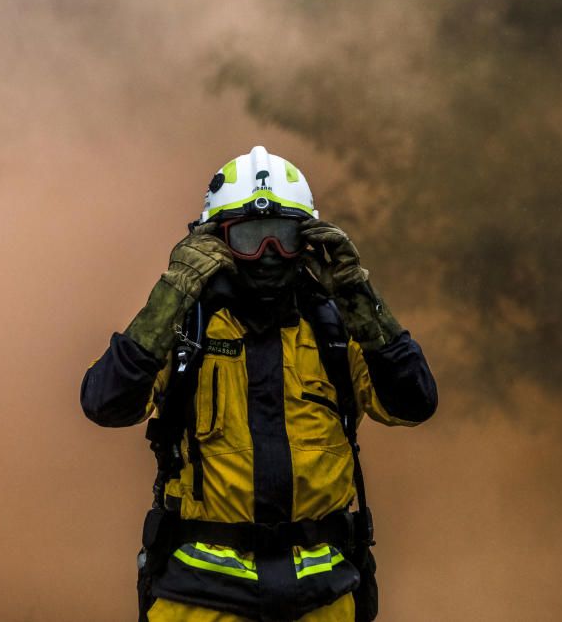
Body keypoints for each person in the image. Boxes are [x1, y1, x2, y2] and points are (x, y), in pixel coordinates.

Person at [81, 146, 437, 622]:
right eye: (249, 237)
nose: (268, 254)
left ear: (308, 241)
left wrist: (358, 296)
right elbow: (105, 403)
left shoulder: (337, 331)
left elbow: (414, 402)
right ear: (216, 242)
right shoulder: (186, 329)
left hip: (322, 599)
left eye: (283, 237)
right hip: (198, 602)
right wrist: (173, 293)